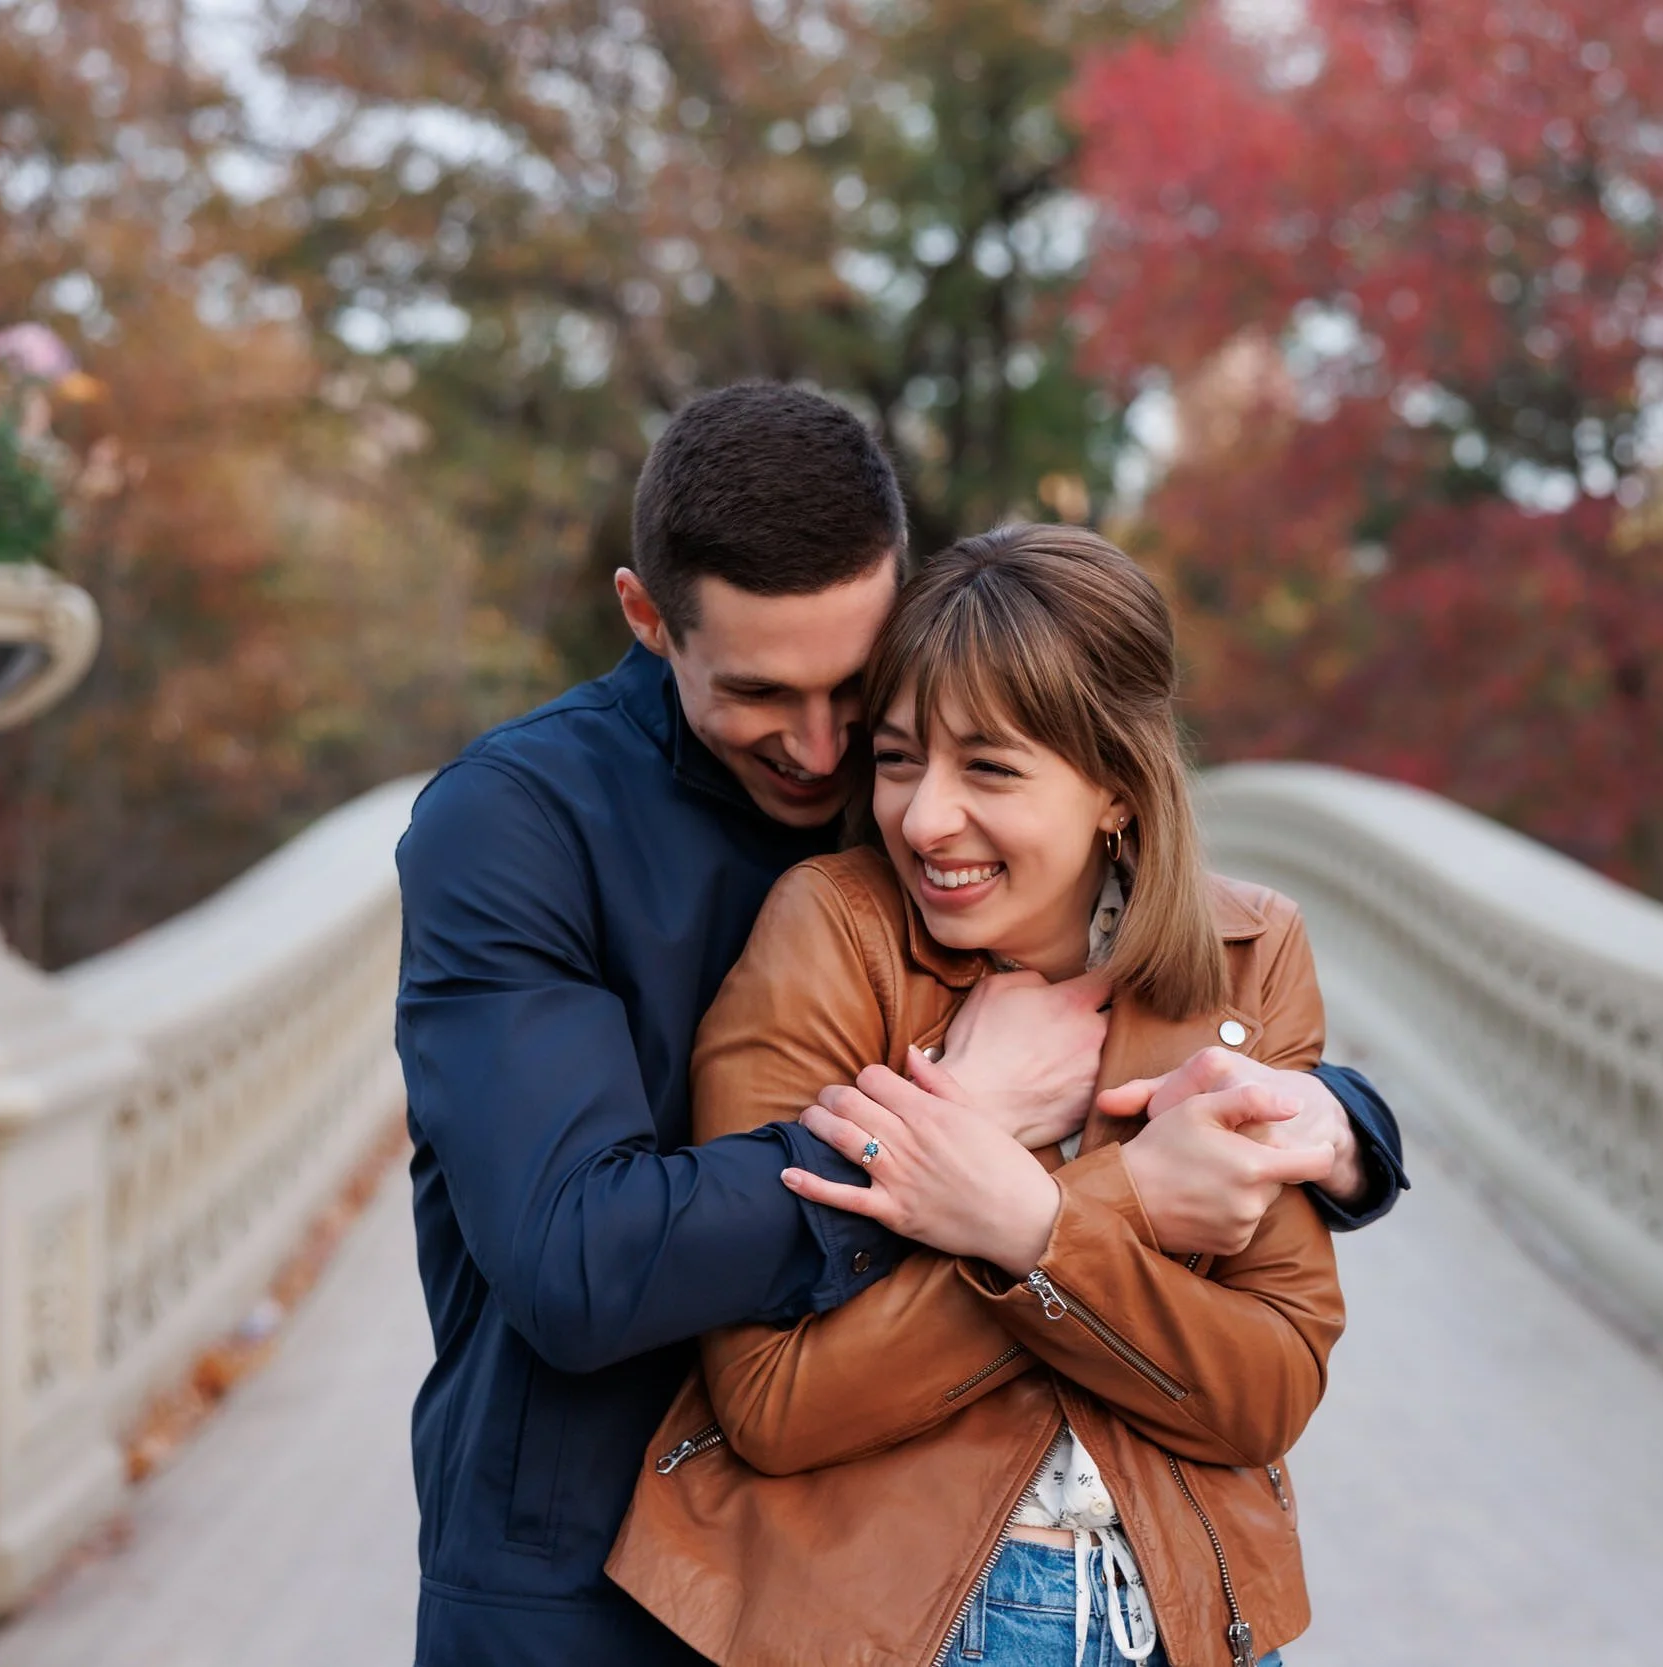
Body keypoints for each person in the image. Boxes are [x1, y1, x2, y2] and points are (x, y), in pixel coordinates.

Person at [394, 383, 1406, 1666]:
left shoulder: (946, 805)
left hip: (937, 1575)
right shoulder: (519, 826)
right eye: (765, 693)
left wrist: (1343, 1120)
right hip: (581, 1580)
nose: (825, 755)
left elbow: (1165, 943)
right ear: (649, 619)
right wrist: (965, 1135)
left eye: (858, 697)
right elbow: (572, 1262)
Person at [614, 524, 1339, 1667]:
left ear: (1115, 784)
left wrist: (1033, 1226)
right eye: (898, 758)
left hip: (1182, 1618)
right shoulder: (835, 932)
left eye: (987, 767)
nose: (922, 816)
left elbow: (1269, 1389)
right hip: (908, 1625)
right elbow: (772, 1402)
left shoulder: (1250, 954)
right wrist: (1123, 1203)